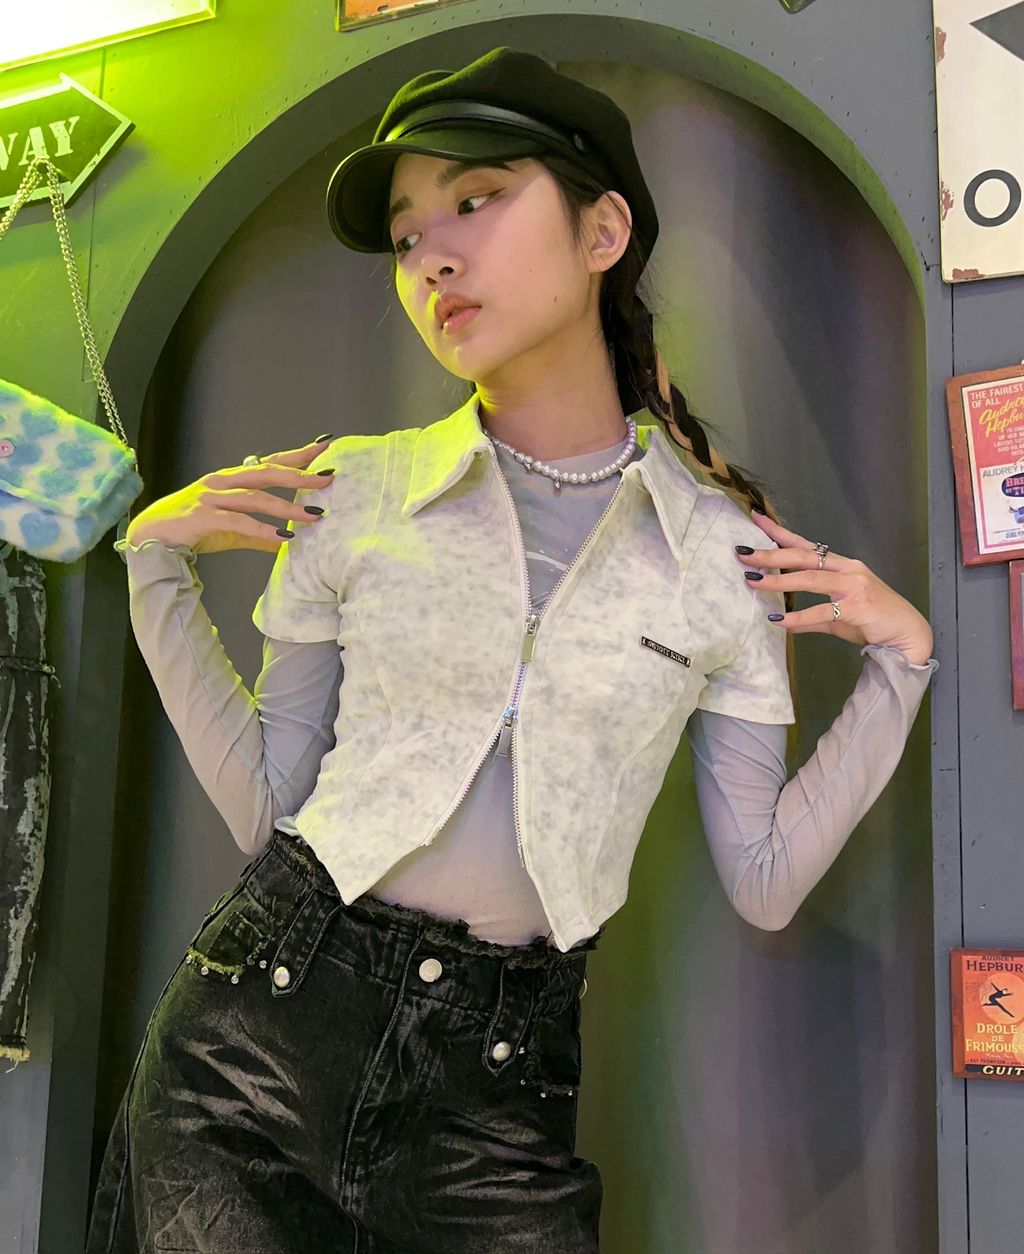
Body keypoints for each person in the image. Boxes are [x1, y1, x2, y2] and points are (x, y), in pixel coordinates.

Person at [86, 46, 937, 1254]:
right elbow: (270, 806)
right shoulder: (352, 491)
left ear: (602, 232)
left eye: (476, 200)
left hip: (496, 1086)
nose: (431, 257)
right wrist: (154, 569)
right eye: (405, 236)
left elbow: (761, 879)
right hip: (251, 1048)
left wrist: (901, 664)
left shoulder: (723, 556)